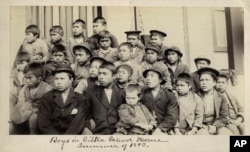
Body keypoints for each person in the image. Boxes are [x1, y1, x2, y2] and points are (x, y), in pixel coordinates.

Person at [38, 64, 88, 134]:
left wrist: (65, 139)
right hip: (52, 136)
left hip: (72, 136)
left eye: (62, 79)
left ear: (71, 80)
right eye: (56, 79)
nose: (58, 82)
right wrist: (56, 138)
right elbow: (44, 123)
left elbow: (77, 123)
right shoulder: (47, 97)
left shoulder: (80, 99)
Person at [10, 62, 53, 134]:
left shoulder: (47, 89)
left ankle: (33, 136)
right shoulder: (25, 88)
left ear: (39, 78)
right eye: (26, 78)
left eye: (30, 78)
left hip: (41, 114)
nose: (27, 81)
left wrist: (36, 111)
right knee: (13, 119)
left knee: (33, 119)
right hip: (27, 111)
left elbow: (49, 107)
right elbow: (21, 102)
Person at [84, 62, 126, 134]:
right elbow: (86, 115)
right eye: (99, 73)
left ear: (114, 76)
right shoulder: (91, 92)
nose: (101, 77)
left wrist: (122, 131)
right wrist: (88, 128)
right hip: (98, 132)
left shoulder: (122, 94)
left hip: (116, 133)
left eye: (105, 74)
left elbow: (126, 115)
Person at [141, 68, 178, 135]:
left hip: (162, 128)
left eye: (152, 76)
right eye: (147, 76)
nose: (148, 78)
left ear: (160, 80)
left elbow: (171, 117)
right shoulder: (142, 94)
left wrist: (159, 129)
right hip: (144, 127)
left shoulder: (169, 95)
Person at [196, 67, 232, 135]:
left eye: (207, 80)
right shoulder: (195, 95)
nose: (204, 83)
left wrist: (215, 126)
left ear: (214, 82)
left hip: (216, 125)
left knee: (227, 134)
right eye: (201, 80)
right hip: (200, 126)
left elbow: (223, 117)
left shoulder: (221, 97)